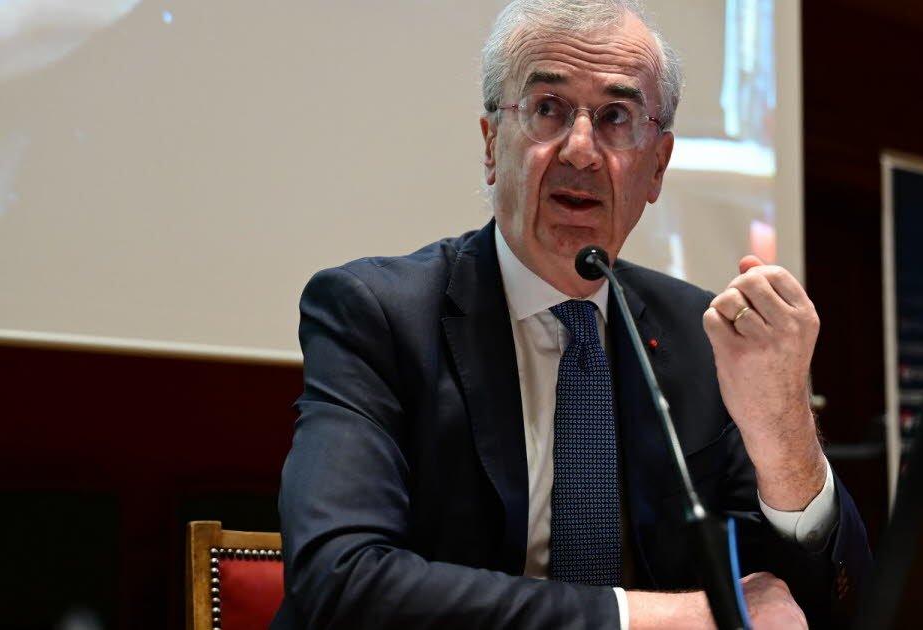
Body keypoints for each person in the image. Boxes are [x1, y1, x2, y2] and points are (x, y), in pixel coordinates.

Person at [271, 1, 870, 628]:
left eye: (616, 118)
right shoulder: (376, 314)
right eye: (548, 110)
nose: (581, 151)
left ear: (657, 167)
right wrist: (656, 619)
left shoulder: (703, 337)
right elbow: (340, 581)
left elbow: (815, 602)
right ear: (491, 145)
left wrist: (786, 432)